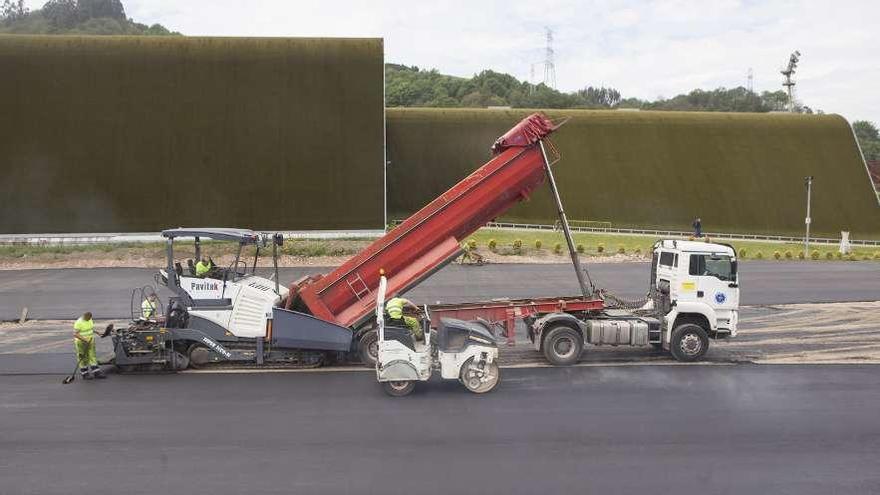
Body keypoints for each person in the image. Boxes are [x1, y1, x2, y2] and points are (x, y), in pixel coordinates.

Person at [73, 312, 105, 380]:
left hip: (90, 341)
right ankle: (85, 373)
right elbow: (76, 334)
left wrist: (98, 332)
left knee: (92, 356)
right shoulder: (79, 322)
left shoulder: (89, 319)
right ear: (84, 317)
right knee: (83, 357)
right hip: (81, 342)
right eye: (88, 318)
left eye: (90, 318)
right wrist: (85, 340)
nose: (89, 319)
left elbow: (90, 329)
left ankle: (96, 372)